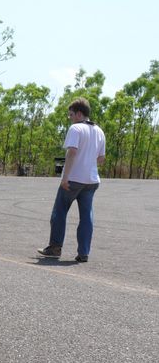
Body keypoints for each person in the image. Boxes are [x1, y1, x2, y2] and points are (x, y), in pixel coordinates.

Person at [38, 97, 105, 262]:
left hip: (73, 179)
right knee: (86, 217)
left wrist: (65, 177)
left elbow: (72, 152)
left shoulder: (76, 128)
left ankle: (55, 248)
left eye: (71, 114)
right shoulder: (99, 131)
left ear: (79, 114)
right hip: (92, 181)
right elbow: (101, 159)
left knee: (59, 213)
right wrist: (88, 161)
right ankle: (83, 253)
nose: (70, 118)